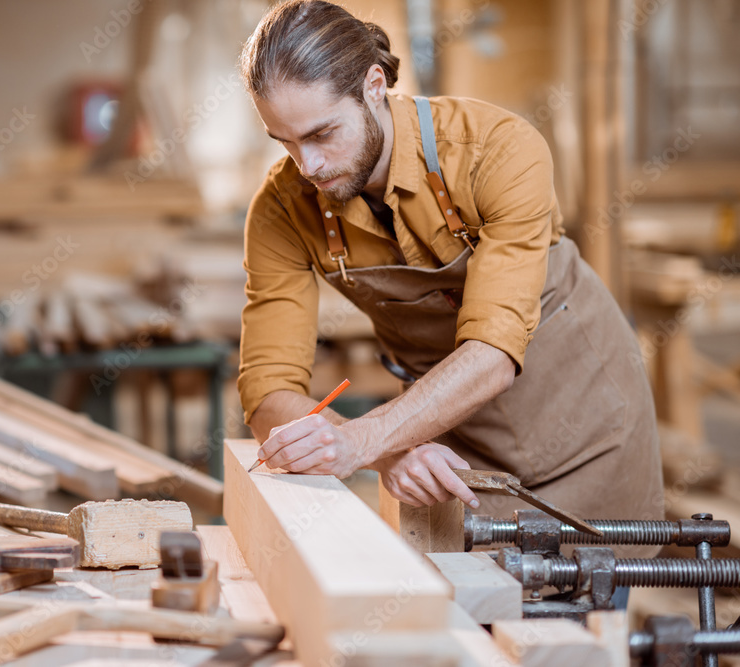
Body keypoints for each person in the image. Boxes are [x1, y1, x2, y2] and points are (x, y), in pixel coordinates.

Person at [236, 0, 664, 527]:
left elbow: (493, 352)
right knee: (464, 596)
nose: (309, 166)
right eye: (286, 142)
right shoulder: (281, 207)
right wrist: (388, 450)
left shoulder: (499, 151)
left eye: (322, 134)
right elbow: (267, 390)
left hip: (590, 430)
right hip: (442, 444)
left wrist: (365, 437)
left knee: (584, 600)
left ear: (374, 86)